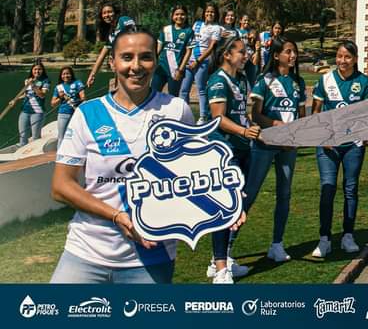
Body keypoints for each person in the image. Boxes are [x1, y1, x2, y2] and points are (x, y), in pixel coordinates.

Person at [51, 29, 242, 283]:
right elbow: (61, 186)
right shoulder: (88, 113)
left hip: (152, 257)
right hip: (86, 251)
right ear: (113, 62)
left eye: (146, 57)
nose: (136, 66)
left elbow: (199, 174)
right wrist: (116, 216)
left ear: (156, 60)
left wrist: (228, 201)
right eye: (127, 57)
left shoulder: (176, 110)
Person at [311, 40, 368, 258]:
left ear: (355, 59)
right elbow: (316, 112)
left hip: (353, 145)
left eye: (347, 57)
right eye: (339, 56)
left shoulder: (364, 82)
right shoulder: (325, 80)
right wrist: (322, 136)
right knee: (327, 188)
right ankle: (324, 238)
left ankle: (348, 235)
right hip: (328, 145)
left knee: (350, 189)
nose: (342, 61)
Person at [205, 34, 259, 283]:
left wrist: (250, 128)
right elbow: (218, 118)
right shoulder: (218, 80)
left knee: (237, 206)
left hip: (242, 146)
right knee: (224, 207)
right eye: (240, 51)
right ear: (227, 55)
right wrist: (243, 131)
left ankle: (224, 258)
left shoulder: (242, 79)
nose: (245, 55)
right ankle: (220, 268)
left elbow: (240, 114)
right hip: (224, 150)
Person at [247, 37, 305, 263]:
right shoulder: (265, 80)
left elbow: (302, 115)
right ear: (276, 55)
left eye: (294, 52)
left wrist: (298, 133)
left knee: (284, 194)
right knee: (250, 194)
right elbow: (256, 114)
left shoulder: (298, 82)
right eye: (288, 52)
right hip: (265, 144)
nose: (292, 56)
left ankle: (277, 244)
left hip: (288, 147)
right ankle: (225, 252)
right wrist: (276, 126)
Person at [184, 4, 223, 123]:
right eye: (207, 11)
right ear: (204, 13)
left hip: (202, 61)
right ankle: (184, 115)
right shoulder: (197, 24)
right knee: (184, 90)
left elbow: (211, 47)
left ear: (215, 14)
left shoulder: (217, 28)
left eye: (212, 12)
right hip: (189, 60)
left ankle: (202, 117)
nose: (209, 14)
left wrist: (198, 61)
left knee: (201, 89)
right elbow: (190, 41)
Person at [86, 3, 136, 88]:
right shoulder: (110, 32)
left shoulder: (123, 20)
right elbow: (103, 54)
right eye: (104, 13)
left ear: (115, 13)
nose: (107, 15)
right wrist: (92, 74)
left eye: (109, 12)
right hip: (121, 66)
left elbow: (134, 36)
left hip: (133, 64)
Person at [153, 5, 193, 96]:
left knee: (173, 97)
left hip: (175, 70)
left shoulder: (189, 31)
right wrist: (152, 62)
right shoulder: (166, 29)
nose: (179, 16)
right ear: (172, 16)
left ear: (186, 16)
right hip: (161, 67)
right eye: (177, 14)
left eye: (182, 14)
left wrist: (180, 70)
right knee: (153, 94)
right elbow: (158, 49)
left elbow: (188, 52)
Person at [11, 61, 49, 146]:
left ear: (42, 70)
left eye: (39, 69)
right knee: (23, 135)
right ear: (32, 70)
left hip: (37, 112)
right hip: (25, 111)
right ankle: (21, 156)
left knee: (35, 137)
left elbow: (42, 95)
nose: (37, 71)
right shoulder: (27, 81)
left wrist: (33, 85)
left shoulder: (45, 81)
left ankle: (35, 157)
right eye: (35, 69)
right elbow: (26, 95)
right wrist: (15, 100)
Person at [51, 66, 86, 145]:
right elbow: (53, 103)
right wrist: (60, 97)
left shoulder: (77, 83)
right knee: (61, 137)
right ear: (61, 76)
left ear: (71, 74)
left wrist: (78, 100)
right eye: (63, 74)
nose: (66, 76)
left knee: (77, 136)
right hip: (63, 114)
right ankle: (60, 155)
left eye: (68, 74)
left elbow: (83, 97)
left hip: (76, 113)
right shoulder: (58, 87)